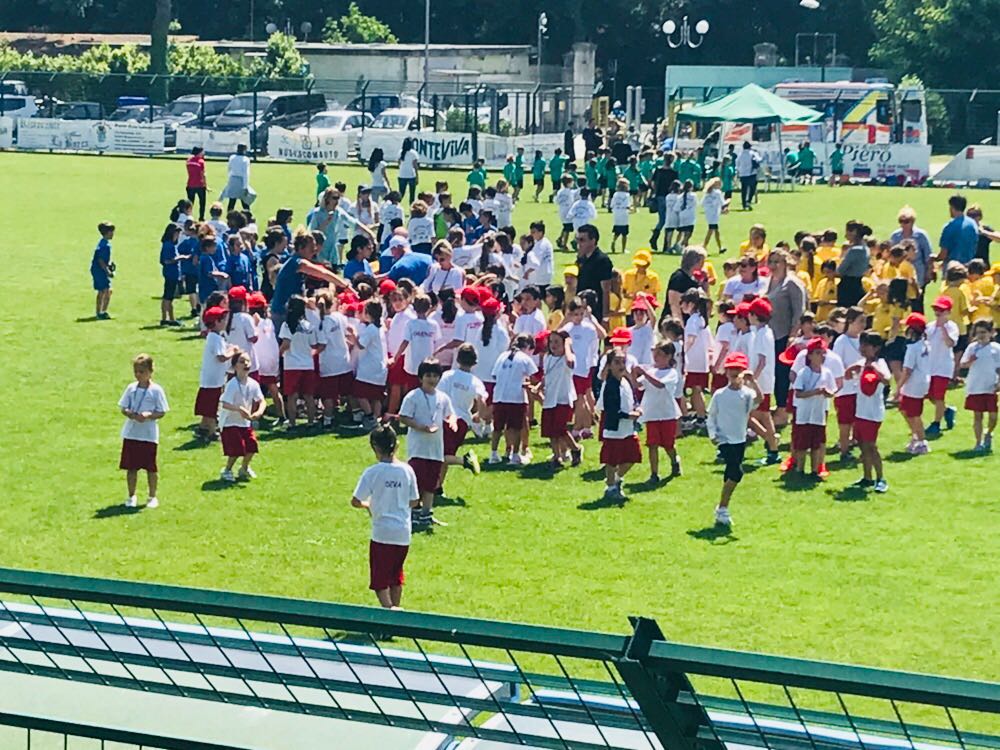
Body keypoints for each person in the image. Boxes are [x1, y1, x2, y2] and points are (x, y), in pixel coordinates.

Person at [351, 424, 420, 609]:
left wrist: (369, 505)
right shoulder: (407, 471)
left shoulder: (372, 473)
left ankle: (390, 611)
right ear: (396, 445)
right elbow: (414, 501)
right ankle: (394, 617)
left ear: (375, 447)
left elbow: (356, 500)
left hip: (382, 532)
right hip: (403, 532)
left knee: (380, 580)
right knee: (396, 576)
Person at [398, 358, 456, 528]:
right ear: (421, 377)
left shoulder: (443, 397)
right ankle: (414, 513)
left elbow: (450, 413)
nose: (432, 379)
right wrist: (420, 427)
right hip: (418, 449)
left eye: (435, 376)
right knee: (417, 483)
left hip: (436, 449)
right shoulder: (413, 396)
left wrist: (452, 421)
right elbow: (403, 417)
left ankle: (427, 514)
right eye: (428, 375)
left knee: (431, 483)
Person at [706, 352, 762, 528]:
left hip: (739, 438)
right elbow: (711, 415)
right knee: (737, 472)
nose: (734, 373)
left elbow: (759, 400)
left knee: (730, 473)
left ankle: (722, 509)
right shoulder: (720, 395)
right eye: (731, 369)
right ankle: (722, 507)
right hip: (724, 438)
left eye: (738, 369)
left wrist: (753, 381)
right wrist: (713, 435)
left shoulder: (747, 393)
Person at [118, 353, 169, 510]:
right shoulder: (131, 388)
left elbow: (162, 411)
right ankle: (131, 495)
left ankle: (152, 496)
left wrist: (148, 415)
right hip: (132, 433)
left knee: (150, 468)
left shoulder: (156, 390)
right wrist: (130, 413)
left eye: (142, 371)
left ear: (150, 371)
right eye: (136, 372)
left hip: (148, 435)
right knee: (131, 467)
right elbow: (123, 407)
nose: (139, 375)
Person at [765, 250, 808, 427]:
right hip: (771, 334)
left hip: (785, 335)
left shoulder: (792, 284)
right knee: (773, 372)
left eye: (777, 262)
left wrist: (793, 334)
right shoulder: (770, 281)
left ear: (785, 263)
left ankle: (783, 412)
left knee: (782, 373)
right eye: (771, 262)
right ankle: (780, 404)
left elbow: (799, 312)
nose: (773, 266)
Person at [847, 332, 891, 493]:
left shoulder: (880, 363)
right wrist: (851, 369)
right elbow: (848, 375)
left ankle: (881, 478)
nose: (863, 348)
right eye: (862, 344)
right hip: (860, 411)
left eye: (867, 345)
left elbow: (887, 380)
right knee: (862, 445)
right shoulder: (861, 363)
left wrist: (874, 369)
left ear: (876, 348)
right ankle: (867, 477)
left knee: (871, 446)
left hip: (873, 413)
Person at [596, 348, 641, 501]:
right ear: (609, 365)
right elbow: (611, 410)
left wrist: (637, 407)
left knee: (633, 456)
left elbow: (632, 398)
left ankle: (617, 479)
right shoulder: (609, 385)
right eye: (617, 362)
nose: (621, 365)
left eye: (623, 361)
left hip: (628, 428)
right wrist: (629, 415)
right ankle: (610, 487)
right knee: (611, 460)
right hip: (614, 428)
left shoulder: (625, 381)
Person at [788, 337, 836, 478]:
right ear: (810, 356)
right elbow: (799, 393)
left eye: (823, 353)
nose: (821, 356)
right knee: (802, 443)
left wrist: (827, 393)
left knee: (816, 443)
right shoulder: (804, 372)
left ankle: (815, 470)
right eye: (818, 353)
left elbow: (832, 391)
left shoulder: (827, 372)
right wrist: (815, 392)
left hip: (818, 414)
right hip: (804, 414)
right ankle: (800, 469)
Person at [489, 333, 538, 465]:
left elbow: (494, 375)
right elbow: (534, 377)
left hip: (499, 396)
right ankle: (515, 455)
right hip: (516, 397)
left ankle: (493, 454)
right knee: (516, 427)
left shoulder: (502, 356)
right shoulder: (525, 358)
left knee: (498, 427)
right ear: (527, 347)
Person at [636, 342, 682, 482]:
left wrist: (644, 372)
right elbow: (638, 385)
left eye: (660, 355)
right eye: (655, 354)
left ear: (668, 356)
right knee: (652, 444)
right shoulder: (651, 371)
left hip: (667, 413)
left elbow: (660, 384)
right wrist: (631, 373)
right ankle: (654, 474)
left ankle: (674, 461)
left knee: (668, 444)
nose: (656, 358)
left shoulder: (672, 373)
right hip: (651, 413)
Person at [218, 351, 265, 482]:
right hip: (230, 422)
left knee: (252, 445)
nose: (246, 364)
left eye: (247, 361)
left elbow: (261, 400)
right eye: (242, 361)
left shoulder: (253, 384)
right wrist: (238, 409)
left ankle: (244, 468)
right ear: (235, 366)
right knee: (237, 449)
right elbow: (225, 403)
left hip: (244, 423)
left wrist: (259, 412)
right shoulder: (232, 384)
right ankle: (227, 470)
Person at [279, 295, 323, 429]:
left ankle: (292, 423)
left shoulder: (287, 325)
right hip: (307, 364)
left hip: (292, 365)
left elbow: (286, 343)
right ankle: (311, 421)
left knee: (292, 396)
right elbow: (315, 345)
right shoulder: (309, 326)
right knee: (309, 395)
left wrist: (279, 353)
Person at [196, 306, 237, 439]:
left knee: (208, 403)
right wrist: (233, 351)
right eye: (223, 319)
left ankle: (203, 426)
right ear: (216, 322)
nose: (226, 322)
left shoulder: (215, 337)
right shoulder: (215, 338)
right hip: (213, 380)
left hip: (212, 378)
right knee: (212, 405)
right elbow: (221, 357)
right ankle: (212, 431)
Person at [960, 320, 1000, 452]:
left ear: (991, 333)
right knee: (978, 416)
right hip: (975, 386)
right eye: (978, 333)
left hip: (991, 386)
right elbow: (962, 364)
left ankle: (988, 433)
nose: (981, 335)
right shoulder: (972, 348)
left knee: (993, 415)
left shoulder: (996, 348)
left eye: (984, 332)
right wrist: (969, 361)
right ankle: (978, 443)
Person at [895, 312, 931, 454]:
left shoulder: (913, 348)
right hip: (923, 382)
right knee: (905, 410)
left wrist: (898, 387)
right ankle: (916, 436)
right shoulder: (925, 344)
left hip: (914, 384)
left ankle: (921, 441)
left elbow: (907, 370)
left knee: (914, 414)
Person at [925, 295, 959, 436]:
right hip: (929, 366)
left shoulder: (952, 326)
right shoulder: (930, 326)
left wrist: (943, 328)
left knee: (939, 396)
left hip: (943, 366)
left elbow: (950, 343)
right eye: (936, 309)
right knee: (930, 395)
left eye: (942, 310)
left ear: (948, 312)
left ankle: (936, 423)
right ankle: (947, 411)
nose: (938, 312)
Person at [574, 224, 614, 323]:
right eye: (577, 240)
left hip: (595, 309)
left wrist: (605, 316)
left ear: (593, 240)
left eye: (582, 240)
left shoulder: (602, 260)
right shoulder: (581, 258)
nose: (579, 243)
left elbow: (606, 290)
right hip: (580, 309)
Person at [665, 246, 706, 320]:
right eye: (702, 261)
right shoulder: (678, 278)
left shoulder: (694, 279)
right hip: (673, 324)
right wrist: (680, 325)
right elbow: (674, 304)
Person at [838, 220, 872, 306]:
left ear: (854, 232)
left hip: (848, 286)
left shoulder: (854, 250)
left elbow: (840, 270)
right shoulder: (866, 248)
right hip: (858, 283)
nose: (845, 235)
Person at [648, 154, 678, 252]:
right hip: (670, 197)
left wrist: (655, 191)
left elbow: (652, 183)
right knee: (669, 221)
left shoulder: (658, 170)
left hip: (660, 195)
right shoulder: (674, 173)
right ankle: (666, 244)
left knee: (662, 219)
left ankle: (654, 237)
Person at [939, 194, 979, 267]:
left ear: (952, 208)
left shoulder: (949, 226)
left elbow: (943, 254)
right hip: (969, 266)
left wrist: (935, 258)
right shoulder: (972, 224)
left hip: (952, 268)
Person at [91, 221, 115, 320]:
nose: (113, 234)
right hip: (99, 270)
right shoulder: (105, 245)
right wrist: (108, 271)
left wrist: (109, 266)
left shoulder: (103, 243)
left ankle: (102, 311)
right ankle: (100, 312)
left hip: (99, 269)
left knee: (108, 291)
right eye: (112, 232)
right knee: (104, 291)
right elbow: (100, 260)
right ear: (107, 233)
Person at [220, 144, 253, 213]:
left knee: (232, 201)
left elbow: (229, 169)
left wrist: (230, 180)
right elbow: (246, 173)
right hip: (241, 180)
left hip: (232, 179)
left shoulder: (232, 157)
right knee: (245, 201)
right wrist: (245, 186)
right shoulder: (246, 159)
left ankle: (229, 216)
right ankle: (248, 217)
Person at [701, 177, 725, 254]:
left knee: (715, 230)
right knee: (712, 230)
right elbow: (723, 203)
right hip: (714, 215)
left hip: (709, 214)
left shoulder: (707, 193)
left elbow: (702, 203)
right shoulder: (718, 193)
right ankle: (704, 246)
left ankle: (720, 247)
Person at [735, 141, 760, 211]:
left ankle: (744, 204)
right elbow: (759, 160)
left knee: (744, 190)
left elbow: (737, 164)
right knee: (752, 188)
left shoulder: (740, 154)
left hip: (743, 174)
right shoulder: (753, 154)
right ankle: (748, 201)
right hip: (752, 173)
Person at [609, 178, 632, 254]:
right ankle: (623, 249)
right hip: (624, 214)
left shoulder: (615, 194)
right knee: (624, 233)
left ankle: (613, 241)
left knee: (617, 231)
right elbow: (628, 205)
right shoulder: (627, 195)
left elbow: (612, 204)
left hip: (617, 213)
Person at [185, 147, 207, 220]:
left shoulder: (188, 161)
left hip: (190, 184)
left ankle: (188, 216)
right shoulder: (201, 161)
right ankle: (201, 217)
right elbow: (203, 174)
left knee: (190, 203)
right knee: (202, 202)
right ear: (199, 152)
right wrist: (205, 184)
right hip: (200, 185)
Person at [397, 138, 419, 203]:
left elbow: (399, 163)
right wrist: (417, 176)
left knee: (401, 193)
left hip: (402, 175)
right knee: (412, 194)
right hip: (411, 175)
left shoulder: (400, 152)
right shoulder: (413, 153)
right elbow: (415, 166)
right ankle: (411, 208)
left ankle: (396, 204)